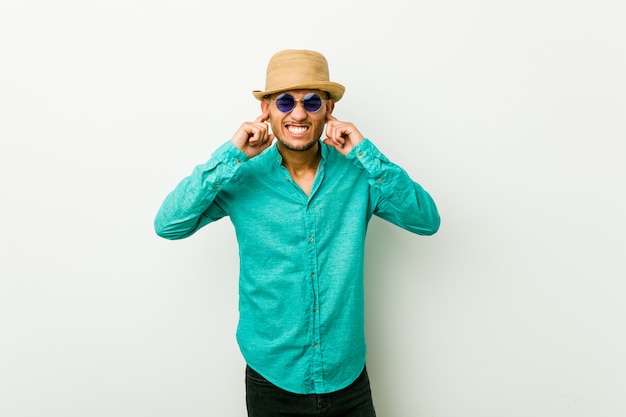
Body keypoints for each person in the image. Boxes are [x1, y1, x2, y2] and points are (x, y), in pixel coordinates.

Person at [154, 49, 440, 417]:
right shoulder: (241, 176)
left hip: (346, 374)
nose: (299, 114)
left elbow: (426, 221)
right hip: (273, 379)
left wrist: (367, 154)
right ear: (267, 111)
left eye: (312, 102)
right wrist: (230, 155)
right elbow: (169, 225)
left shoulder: (359, 174)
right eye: (286, 102)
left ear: (329, 109)